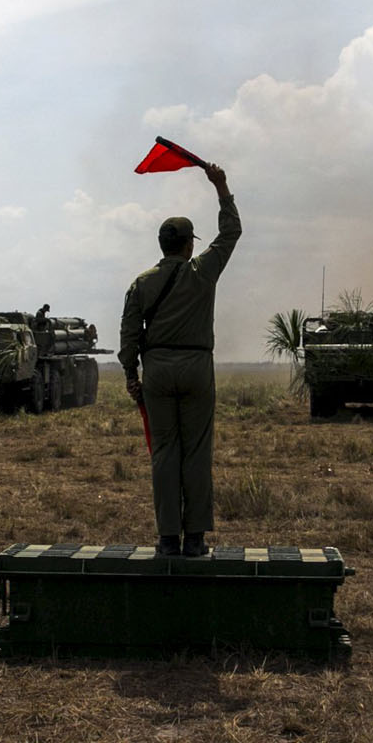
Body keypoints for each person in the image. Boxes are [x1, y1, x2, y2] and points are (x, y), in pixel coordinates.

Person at [118, 161, 240, 557]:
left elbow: (129, 335)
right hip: (196, 368)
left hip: (156, 371)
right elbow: (231, 232)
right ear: (189, 245)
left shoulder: (142, 282)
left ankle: (168, 538)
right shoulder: (202, 272)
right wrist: (221, 187)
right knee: (196, 453)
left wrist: (130, 373)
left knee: (165, 453)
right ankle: (196, 539)